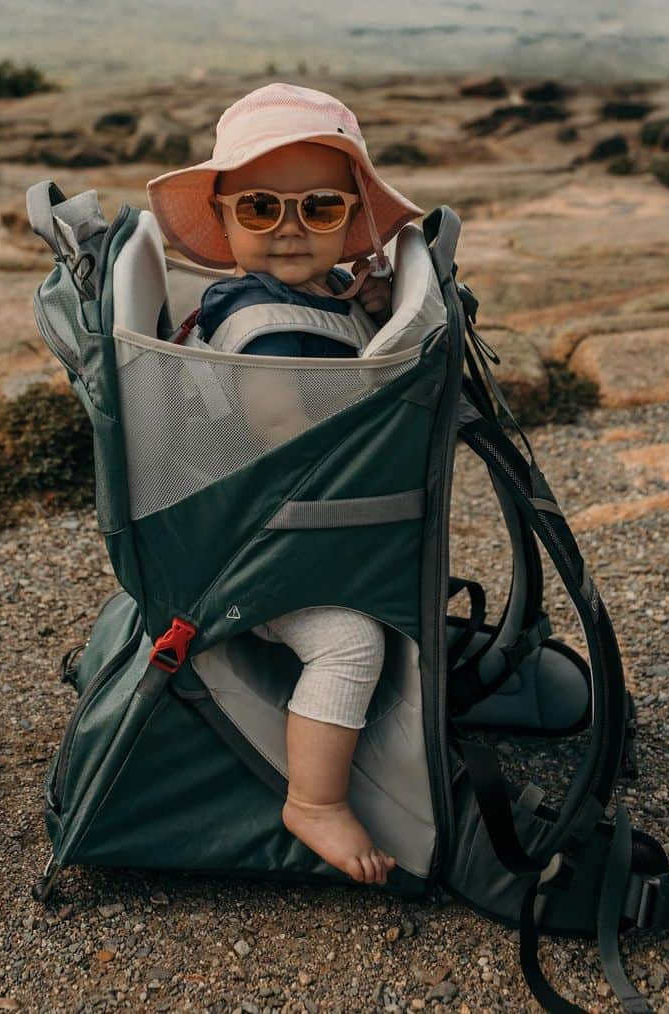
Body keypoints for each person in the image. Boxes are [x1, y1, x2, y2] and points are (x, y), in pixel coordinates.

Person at [146, 83, 422, 886]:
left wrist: (359, 305)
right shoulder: (264, 326)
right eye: (263, 210)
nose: (292, 230)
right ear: (227, 220)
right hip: (257, 549)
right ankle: (316, 799)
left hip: (286, 529)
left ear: (350, 220)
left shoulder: (297, 296)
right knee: (350, 642)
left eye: (322, 209)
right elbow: (278, 425)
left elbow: (322, 320)